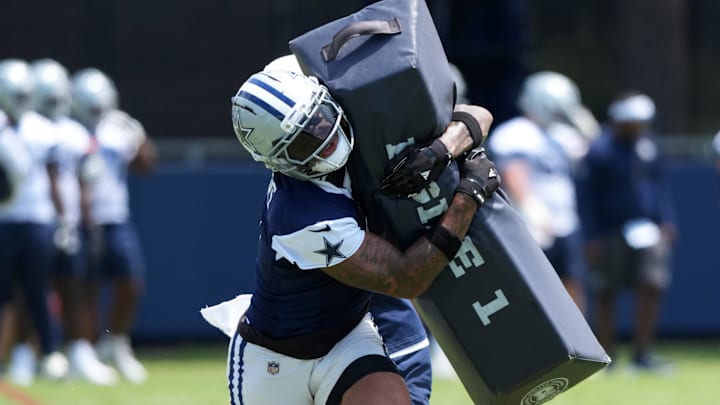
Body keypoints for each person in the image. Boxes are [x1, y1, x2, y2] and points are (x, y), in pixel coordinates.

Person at [224, 67, 497, 404]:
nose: (323, 138)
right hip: (277, 359)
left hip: (348, 339)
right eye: (303, 141)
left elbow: (477, 114)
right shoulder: (302, 214)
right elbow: (406, 279)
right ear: (277, 161)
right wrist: (468, 197)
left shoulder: (363, 123)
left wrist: (439, 151)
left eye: (319, 118)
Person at [31, 59, 119, 385]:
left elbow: (86, 178)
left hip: (68, 221)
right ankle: (32, 353)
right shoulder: (28, 129)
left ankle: (80, 350)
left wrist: (86, 221)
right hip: (34, 219)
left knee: (76, 288)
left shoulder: (72, 132)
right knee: (31, 291)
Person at [577, 91, 677, 373]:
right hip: (610, 231)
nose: (639, 128)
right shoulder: (599, 150)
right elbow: (586, 197)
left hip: (649, 228)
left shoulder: (648, 145)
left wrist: (666, 219)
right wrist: (592, 236)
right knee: (606, 291)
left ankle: (642, 354)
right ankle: (607, 357)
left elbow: (659, 185)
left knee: (652, 286)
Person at [70, 67, 157, 384]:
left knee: (131, 283)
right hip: (77, 220)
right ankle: (86, 351)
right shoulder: (66, 129)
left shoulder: (118, 126)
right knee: (86, 288)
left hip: (115, 217)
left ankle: (115, 342)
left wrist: (138, 136)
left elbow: (147, 165)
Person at [487, 71, 598, 312]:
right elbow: (514, 173)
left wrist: (589, 131)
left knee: (572, 283)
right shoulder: (516, 132)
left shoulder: (561, 136)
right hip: (531, 225)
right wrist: (532, 209)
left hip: (565, 224)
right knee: (532, 288)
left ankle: (580, 344)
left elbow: (595, 157)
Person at [0, 59, 68, 385]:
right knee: (5, 294)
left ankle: (47, 352)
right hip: (3, 220)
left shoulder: (42, 129)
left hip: (37, 219)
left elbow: (53, 178)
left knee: (37, 289)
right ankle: (10, 356)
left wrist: (64, 220)